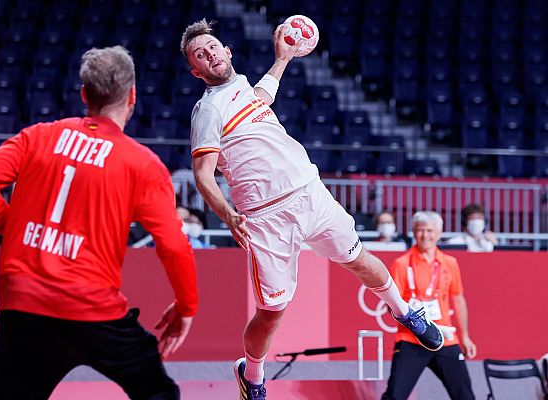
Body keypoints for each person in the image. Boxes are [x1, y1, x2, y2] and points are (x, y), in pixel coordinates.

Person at [179, 19, 444, 400]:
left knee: (358, 258)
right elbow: (202, 175)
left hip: (310, 194)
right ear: (196, 70)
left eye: (212, 47)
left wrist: (282, 58)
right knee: (273, 311)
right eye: (199, 54)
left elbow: (262, 95)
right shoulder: (207, 111)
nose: (209, 54)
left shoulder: (242, 88)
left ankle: (404, 311)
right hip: (265, 218)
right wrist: (228, 215)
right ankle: (251, 375)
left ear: (227, 51)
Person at [0, 46, 198, 400]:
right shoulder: (143, 164)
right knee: (158, 393)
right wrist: (186, 305)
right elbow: (174, 245)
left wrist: (13, 226)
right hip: (92, 309)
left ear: (84, 94)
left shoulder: (37, 136)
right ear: (132, 96)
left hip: (24, 305)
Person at [383, 211, 477, 400]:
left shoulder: (450, 263)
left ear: (439, 233)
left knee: (465, 396)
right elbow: (390, 304)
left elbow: (458, 300)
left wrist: (465, 336)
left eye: (429, 230)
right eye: (420, 230)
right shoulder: (401, 264)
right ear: (413, 232)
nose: (425, 235)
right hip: (411, 339)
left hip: (446, 339)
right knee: (394, 395)